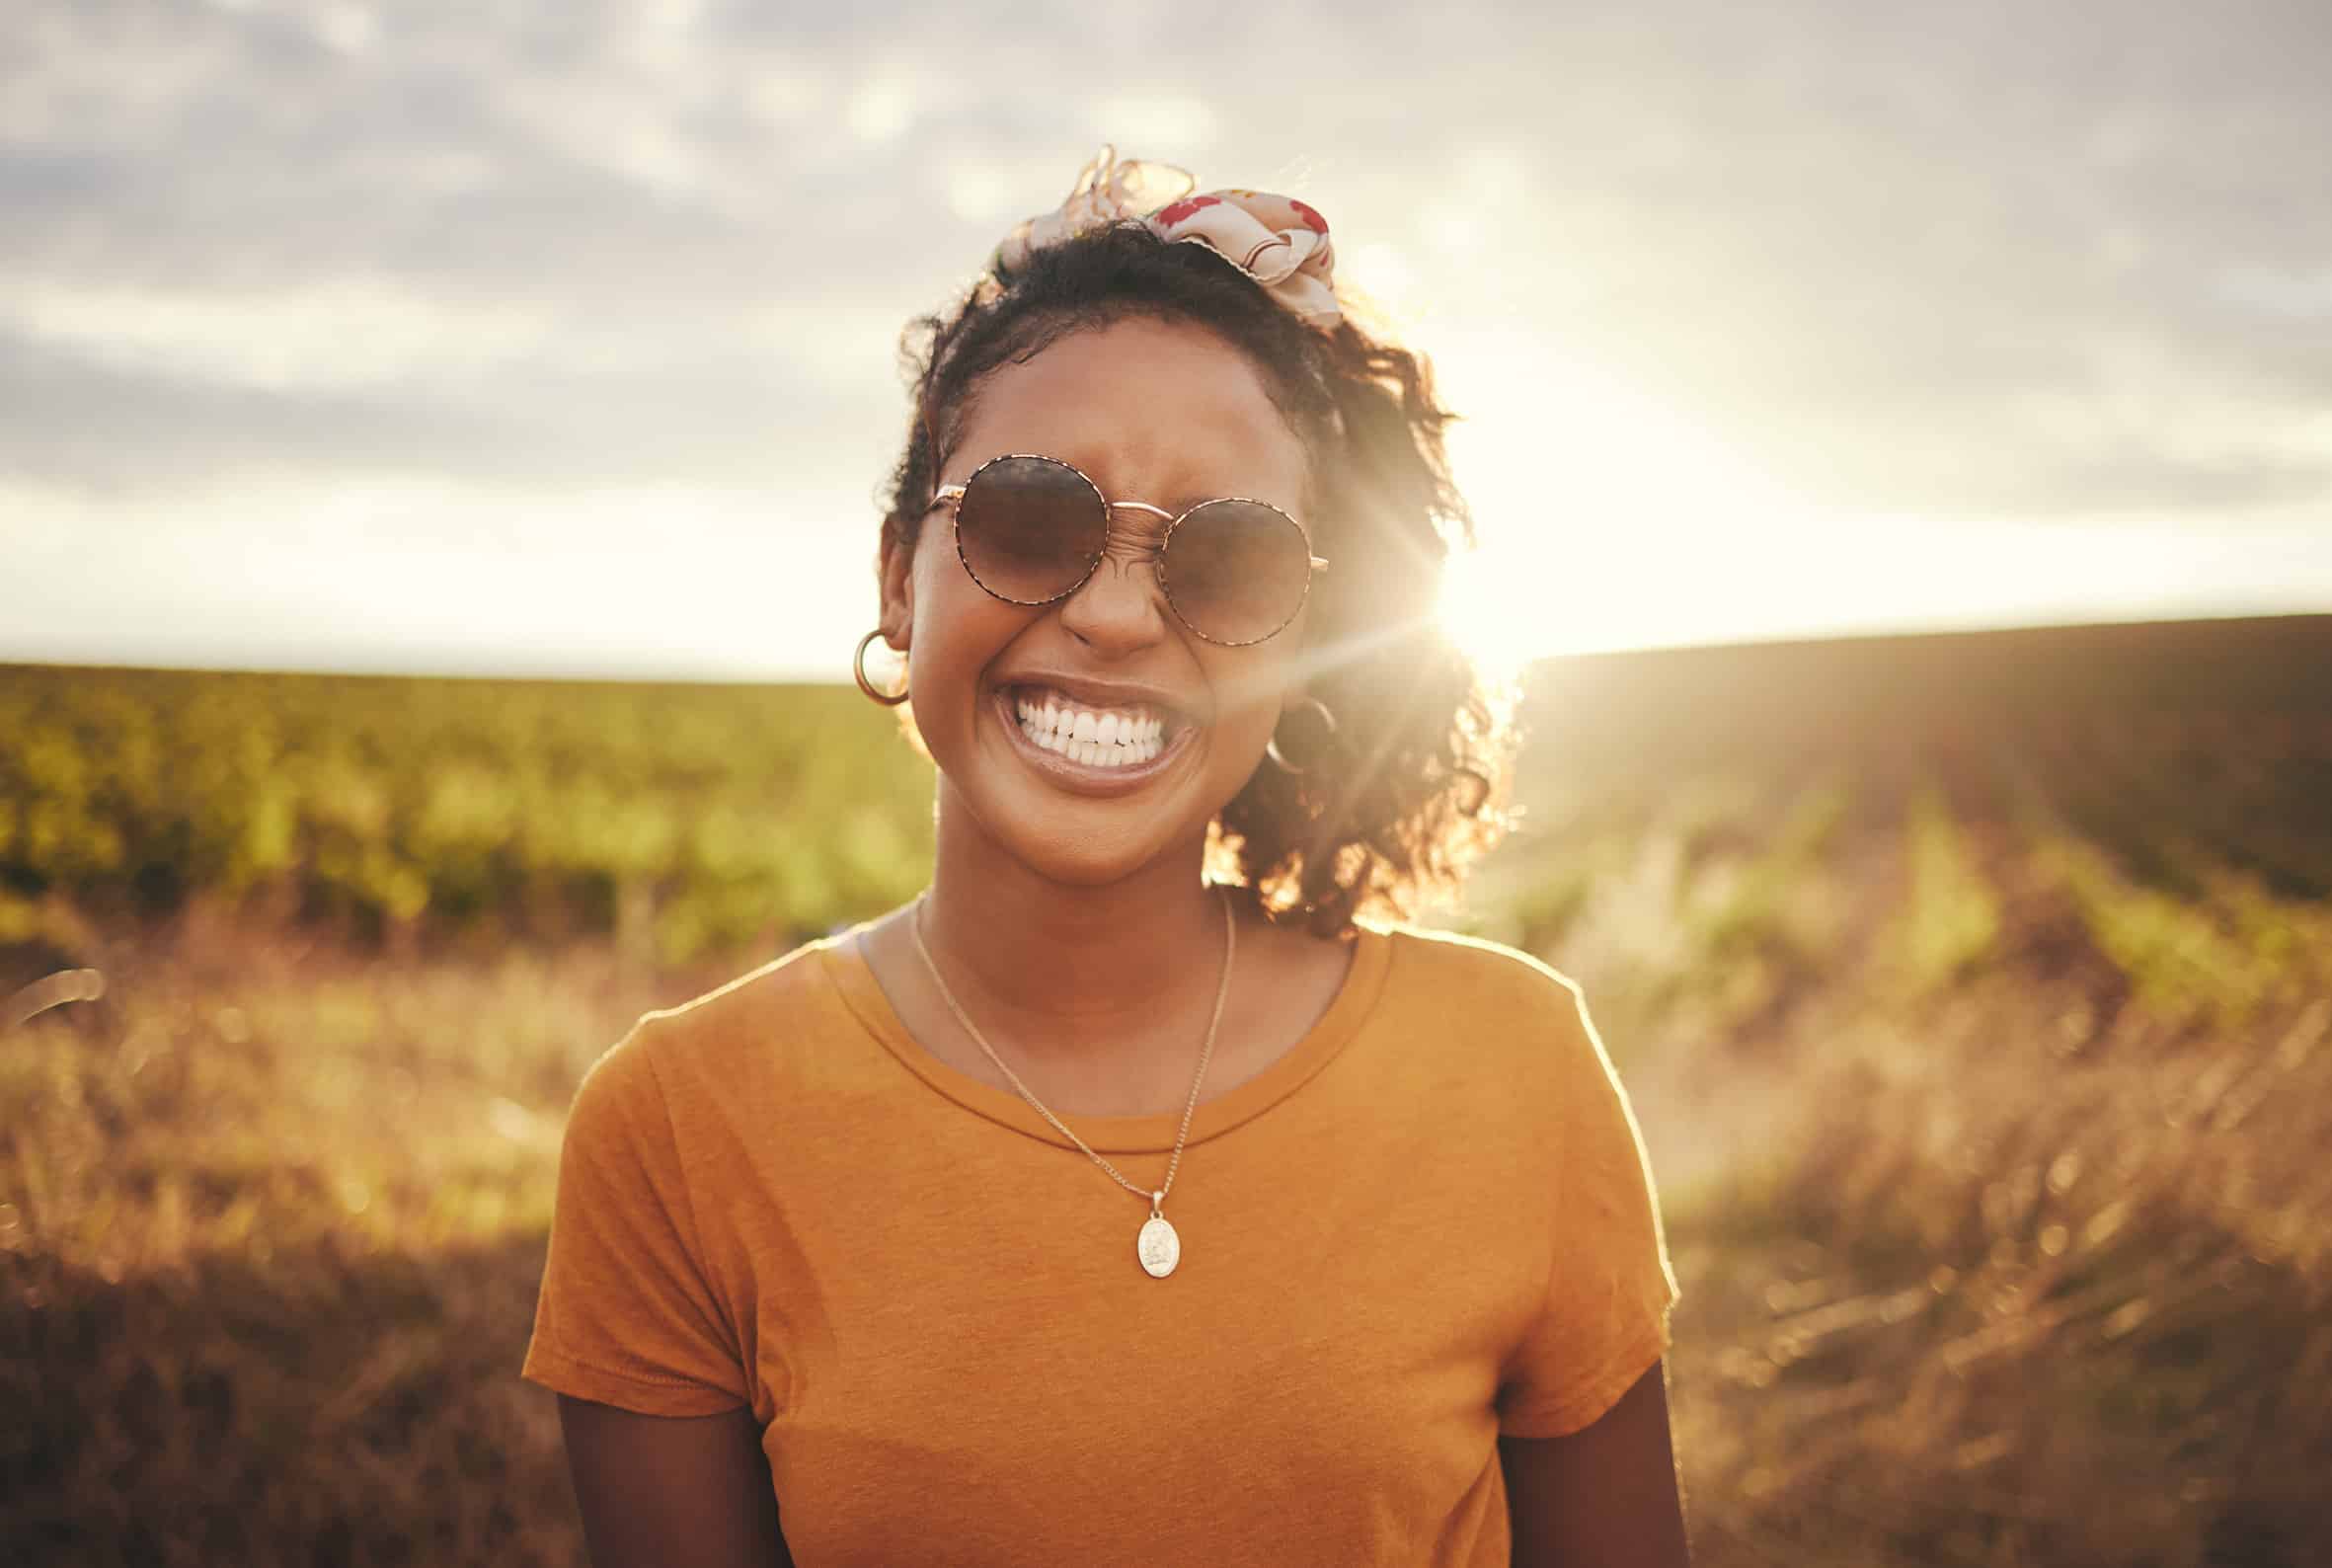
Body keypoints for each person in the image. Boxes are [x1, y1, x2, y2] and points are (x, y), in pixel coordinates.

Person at [521, 147, 1687, 1567]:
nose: (1121, 617)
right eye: (1029, 518)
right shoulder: (679, 1130)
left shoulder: (1517, 1068)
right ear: (901, 574)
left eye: (1231, 557)